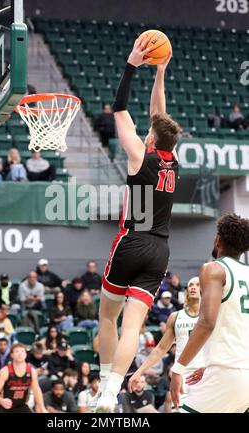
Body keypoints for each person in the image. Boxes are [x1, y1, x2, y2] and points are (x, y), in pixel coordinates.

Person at [96, 39, 180, 412]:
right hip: (160, 250)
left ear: (149, 138)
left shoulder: (137, 156)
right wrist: (160, 73)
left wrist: (131, 65)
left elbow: (120, 108)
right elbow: (158, 117)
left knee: (107, 316)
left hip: (132, 241)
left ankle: (102, 385)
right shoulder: (171, 159)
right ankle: (113, 391)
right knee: (133, 328)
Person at [170, 214, 249, 413]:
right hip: (238, 373)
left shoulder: (214, 269)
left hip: (228, 372)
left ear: (218, 240)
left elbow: (206, 323)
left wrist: (178, 369)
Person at [129, 277, 204, 410]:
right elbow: (160, 349)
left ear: (204, 289)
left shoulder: (211, 316)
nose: (193, 287)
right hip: (183, 376)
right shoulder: (175, 317)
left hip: (206, 374)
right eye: (190, 285)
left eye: (197, 285)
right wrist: (139, 372)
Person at [0, 342, 47, 413]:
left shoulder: (32, 371)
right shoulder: (5, 371)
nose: (20, 353)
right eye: (17, 351)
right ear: (12, 355)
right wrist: (1, 400)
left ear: (26, 354)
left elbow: (36, 390)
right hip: (6, 407)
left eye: (22, 351)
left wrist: (42, 408)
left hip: (22, 406)